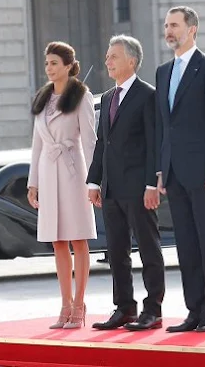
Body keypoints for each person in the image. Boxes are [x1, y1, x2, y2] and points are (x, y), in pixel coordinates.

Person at [155, 6, 205, 333]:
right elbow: (164, 127)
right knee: (186, 244)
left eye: (174, 25)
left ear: (192, 29)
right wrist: (160, 170)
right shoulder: (163, 72)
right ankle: (192, 311)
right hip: (174, 173)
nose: (168, 30)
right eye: (166, 25)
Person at [87, 35, 165, 331]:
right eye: (107, 56)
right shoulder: (107, 97)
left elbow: (154, 144)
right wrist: (94, 182)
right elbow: (102, 145)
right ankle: (124, 307)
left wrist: (150, 184)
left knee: (148, 248)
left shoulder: (147, 95)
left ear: (131, 61)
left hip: (139, 188)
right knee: (116, 252)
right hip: (111, 189)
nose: (107, 61)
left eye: (114, 57)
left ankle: (153, 309)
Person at [27, 41, 97, 329]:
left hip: (73, 172)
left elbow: (91, 141)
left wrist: (95, 182)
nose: (49, 68)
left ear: (69, 65)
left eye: (54, 63)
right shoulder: (43, 98)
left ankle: (79, 305)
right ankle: (64, 305)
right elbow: (36, 144)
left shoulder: (81, 96)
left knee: (78, 239)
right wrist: (33, 184)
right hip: (47, 171)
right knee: (57, 241)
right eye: (47, 63)